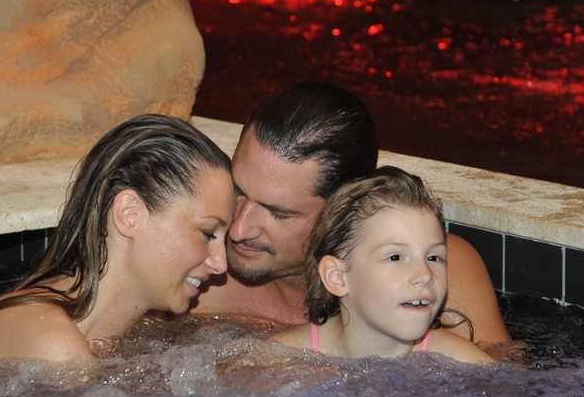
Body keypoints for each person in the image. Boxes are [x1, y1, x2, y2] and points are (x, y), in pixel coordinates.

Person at [191, 83, 512, 343]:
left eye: (279, 213)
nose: (238, 229)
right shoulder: (192, 275)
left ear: (342, 209)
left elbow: (502, 395)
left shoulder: (432, 270)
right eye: (238, 191)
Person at [0, 114, 234, 377]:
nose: (220, 263)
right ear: (130, 214)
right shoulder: (54, 346)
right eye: (207, 233)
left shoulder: (129, 330)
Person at [270, 168, 493, 362]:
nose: (425, 275)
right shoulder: (281, 359)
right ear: (337, 276)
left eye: (433, 257)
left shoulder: (462, 363)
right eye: (395, 257)